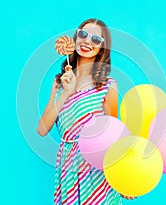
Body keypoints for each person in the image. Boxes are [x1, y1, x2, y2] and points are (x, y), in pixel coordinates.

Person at [37, 18, 133, 204]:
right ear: (75, 38)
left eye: (96, 39)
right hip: (68, 168)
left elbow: (113, 137)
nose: (88, 41)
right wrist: (66, 91)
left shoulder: (107, 86)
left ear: (101, 49)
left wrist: (123, 179)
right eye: (83, 34)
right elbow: (42, 129)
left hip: (96, 169)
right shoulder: (58, 82)